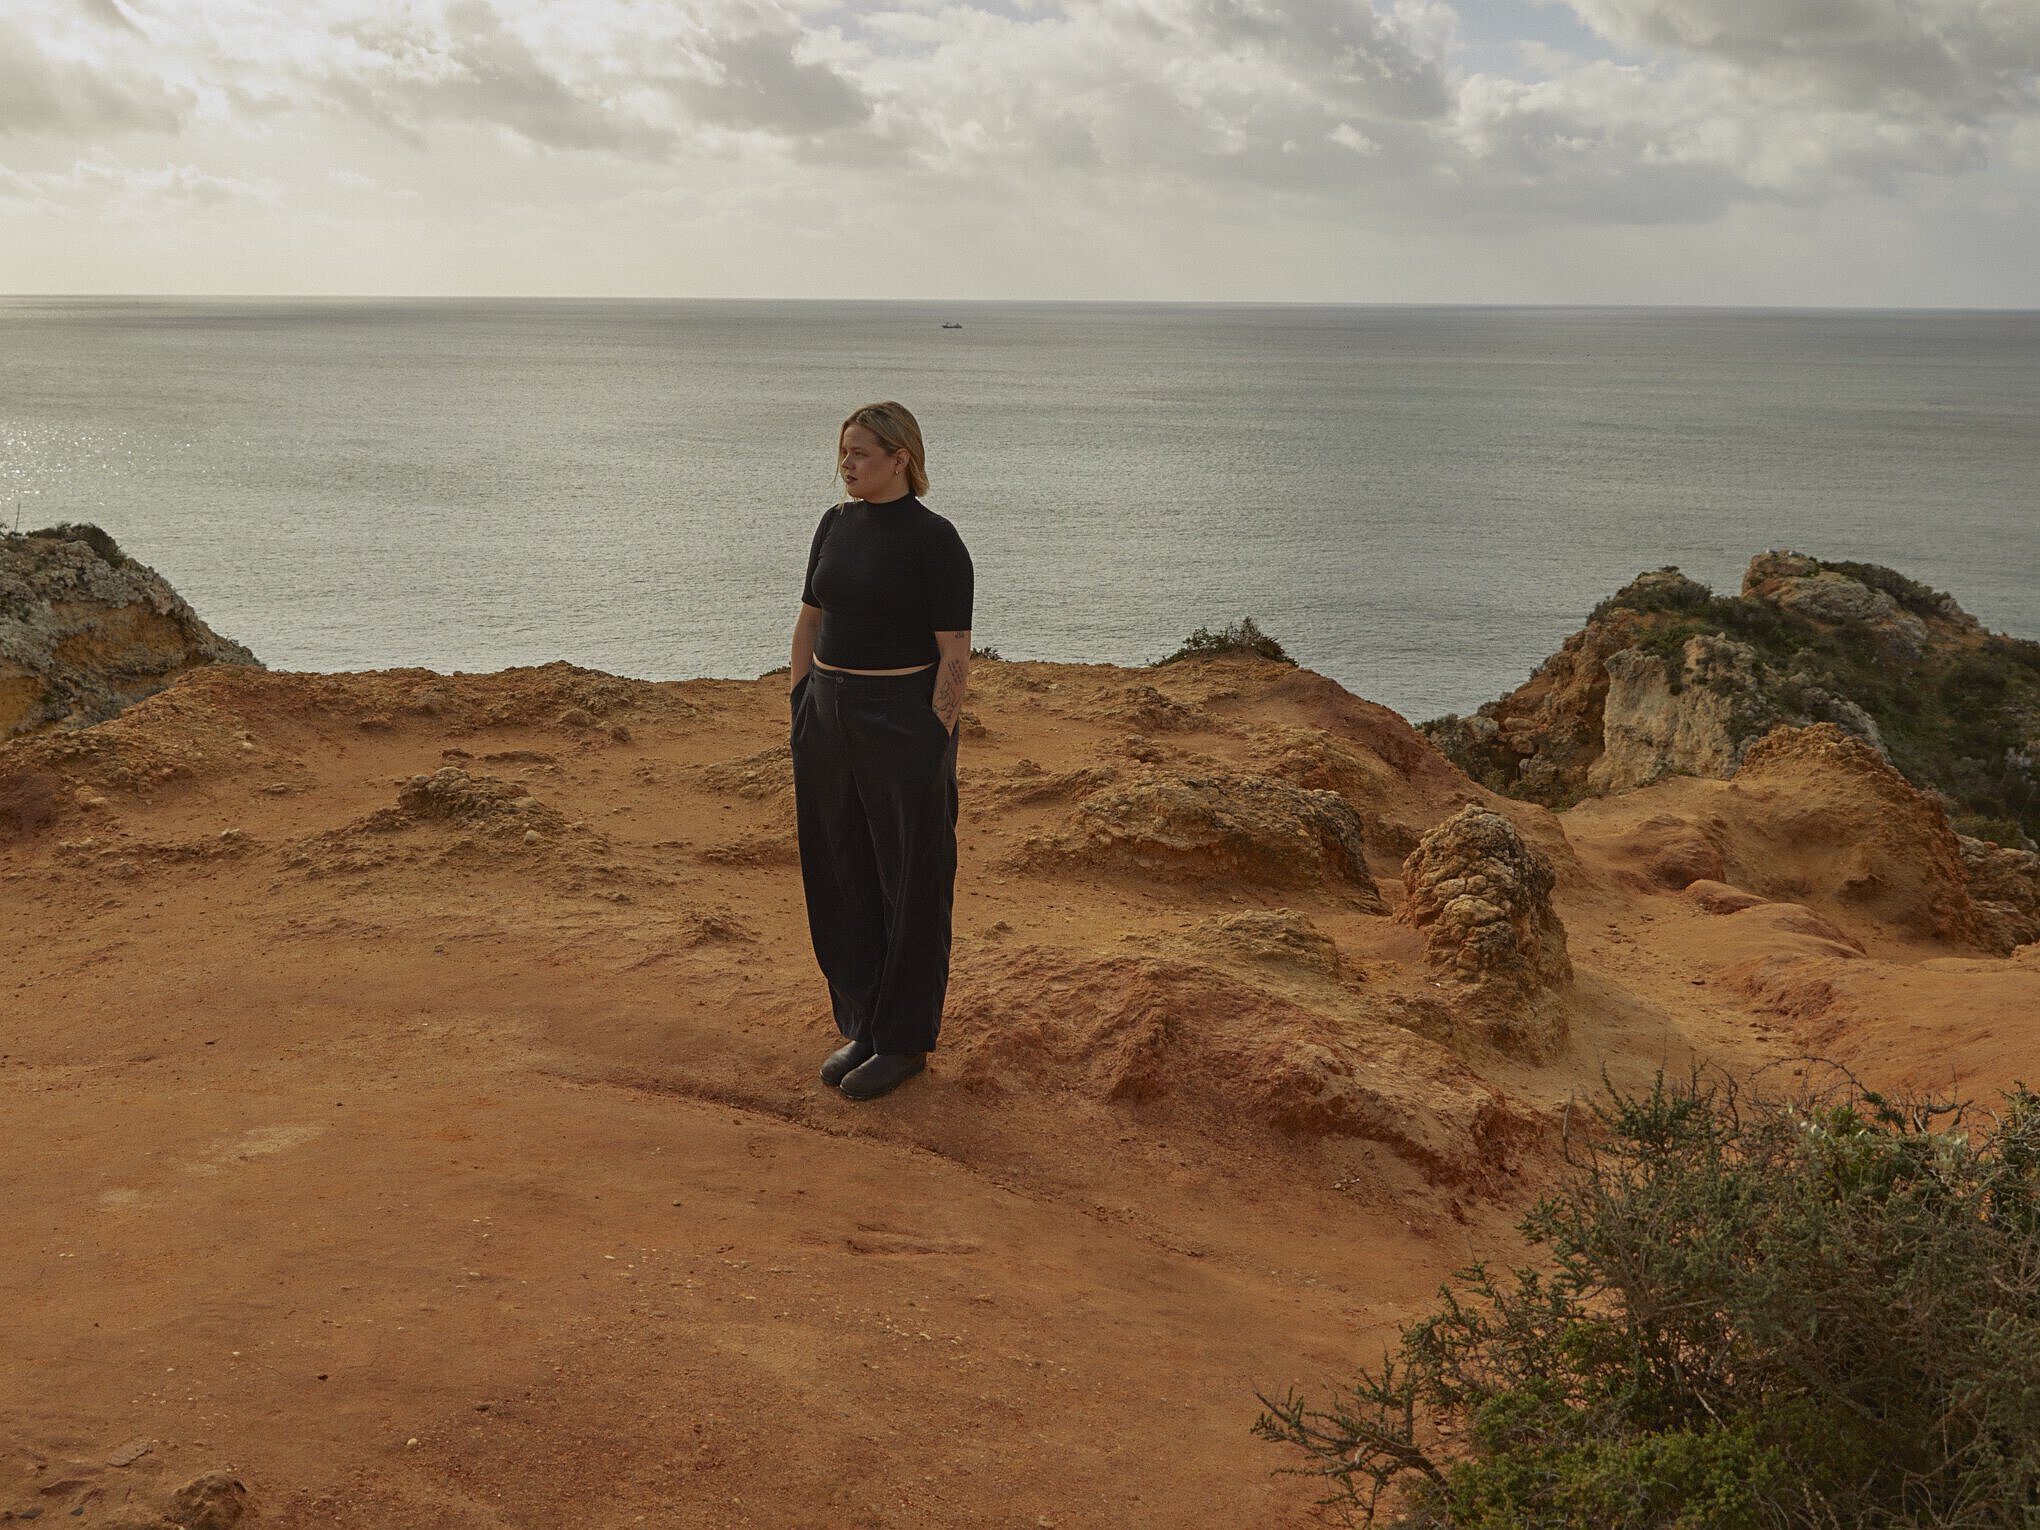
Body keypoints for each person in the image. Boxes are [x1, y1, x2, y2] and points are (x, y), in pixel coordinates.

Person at [788, 402, 973, 1101]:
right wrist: (803, 700)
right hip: (827, 715)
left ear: (900, 458)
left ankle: (903, 1041)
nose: (846, 462)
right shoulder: (834, 525)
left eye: (860, 451)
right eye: (843, 451)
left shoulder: (935, 540)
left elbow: (953, 650)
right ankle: (864, 1022)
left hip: (903, 723)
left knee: (912, 882)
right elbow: (810, 617)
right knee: (842, 870)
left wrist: (935, 735)